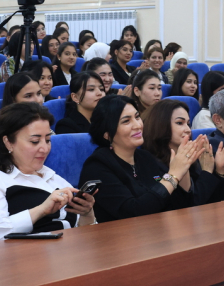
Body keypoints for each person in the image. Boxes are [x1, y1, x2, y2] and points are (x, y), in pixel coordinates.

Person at [0, 103, 97, 242]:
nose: (45, 149)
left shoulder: (53, 178)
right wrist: (41, 210)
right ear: (8, 142)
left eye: (48, 140)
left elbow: (86, 236)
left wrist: (87, 213)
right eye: (35, 141)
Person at [78, 95, 204, 223]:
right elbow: (134, 212)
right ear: (107, 134)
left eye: (137, 117)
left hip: (157, 230)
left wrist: (184, 166)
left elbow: (181, 206)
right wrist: (173, 176)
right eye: (126, 121)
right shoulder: (97, 167)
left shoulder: (145, 157)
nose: (137, 125)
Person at [143, 99, 224, 206]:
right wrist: (207, 172)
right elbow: (191, 205)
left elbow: (214, 201)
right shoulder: (149, 162)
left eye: (188, 123)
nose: (188, 129)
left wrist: (219, 170)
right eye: (179, 123)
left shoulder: (192, 155)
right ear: (160, 125)